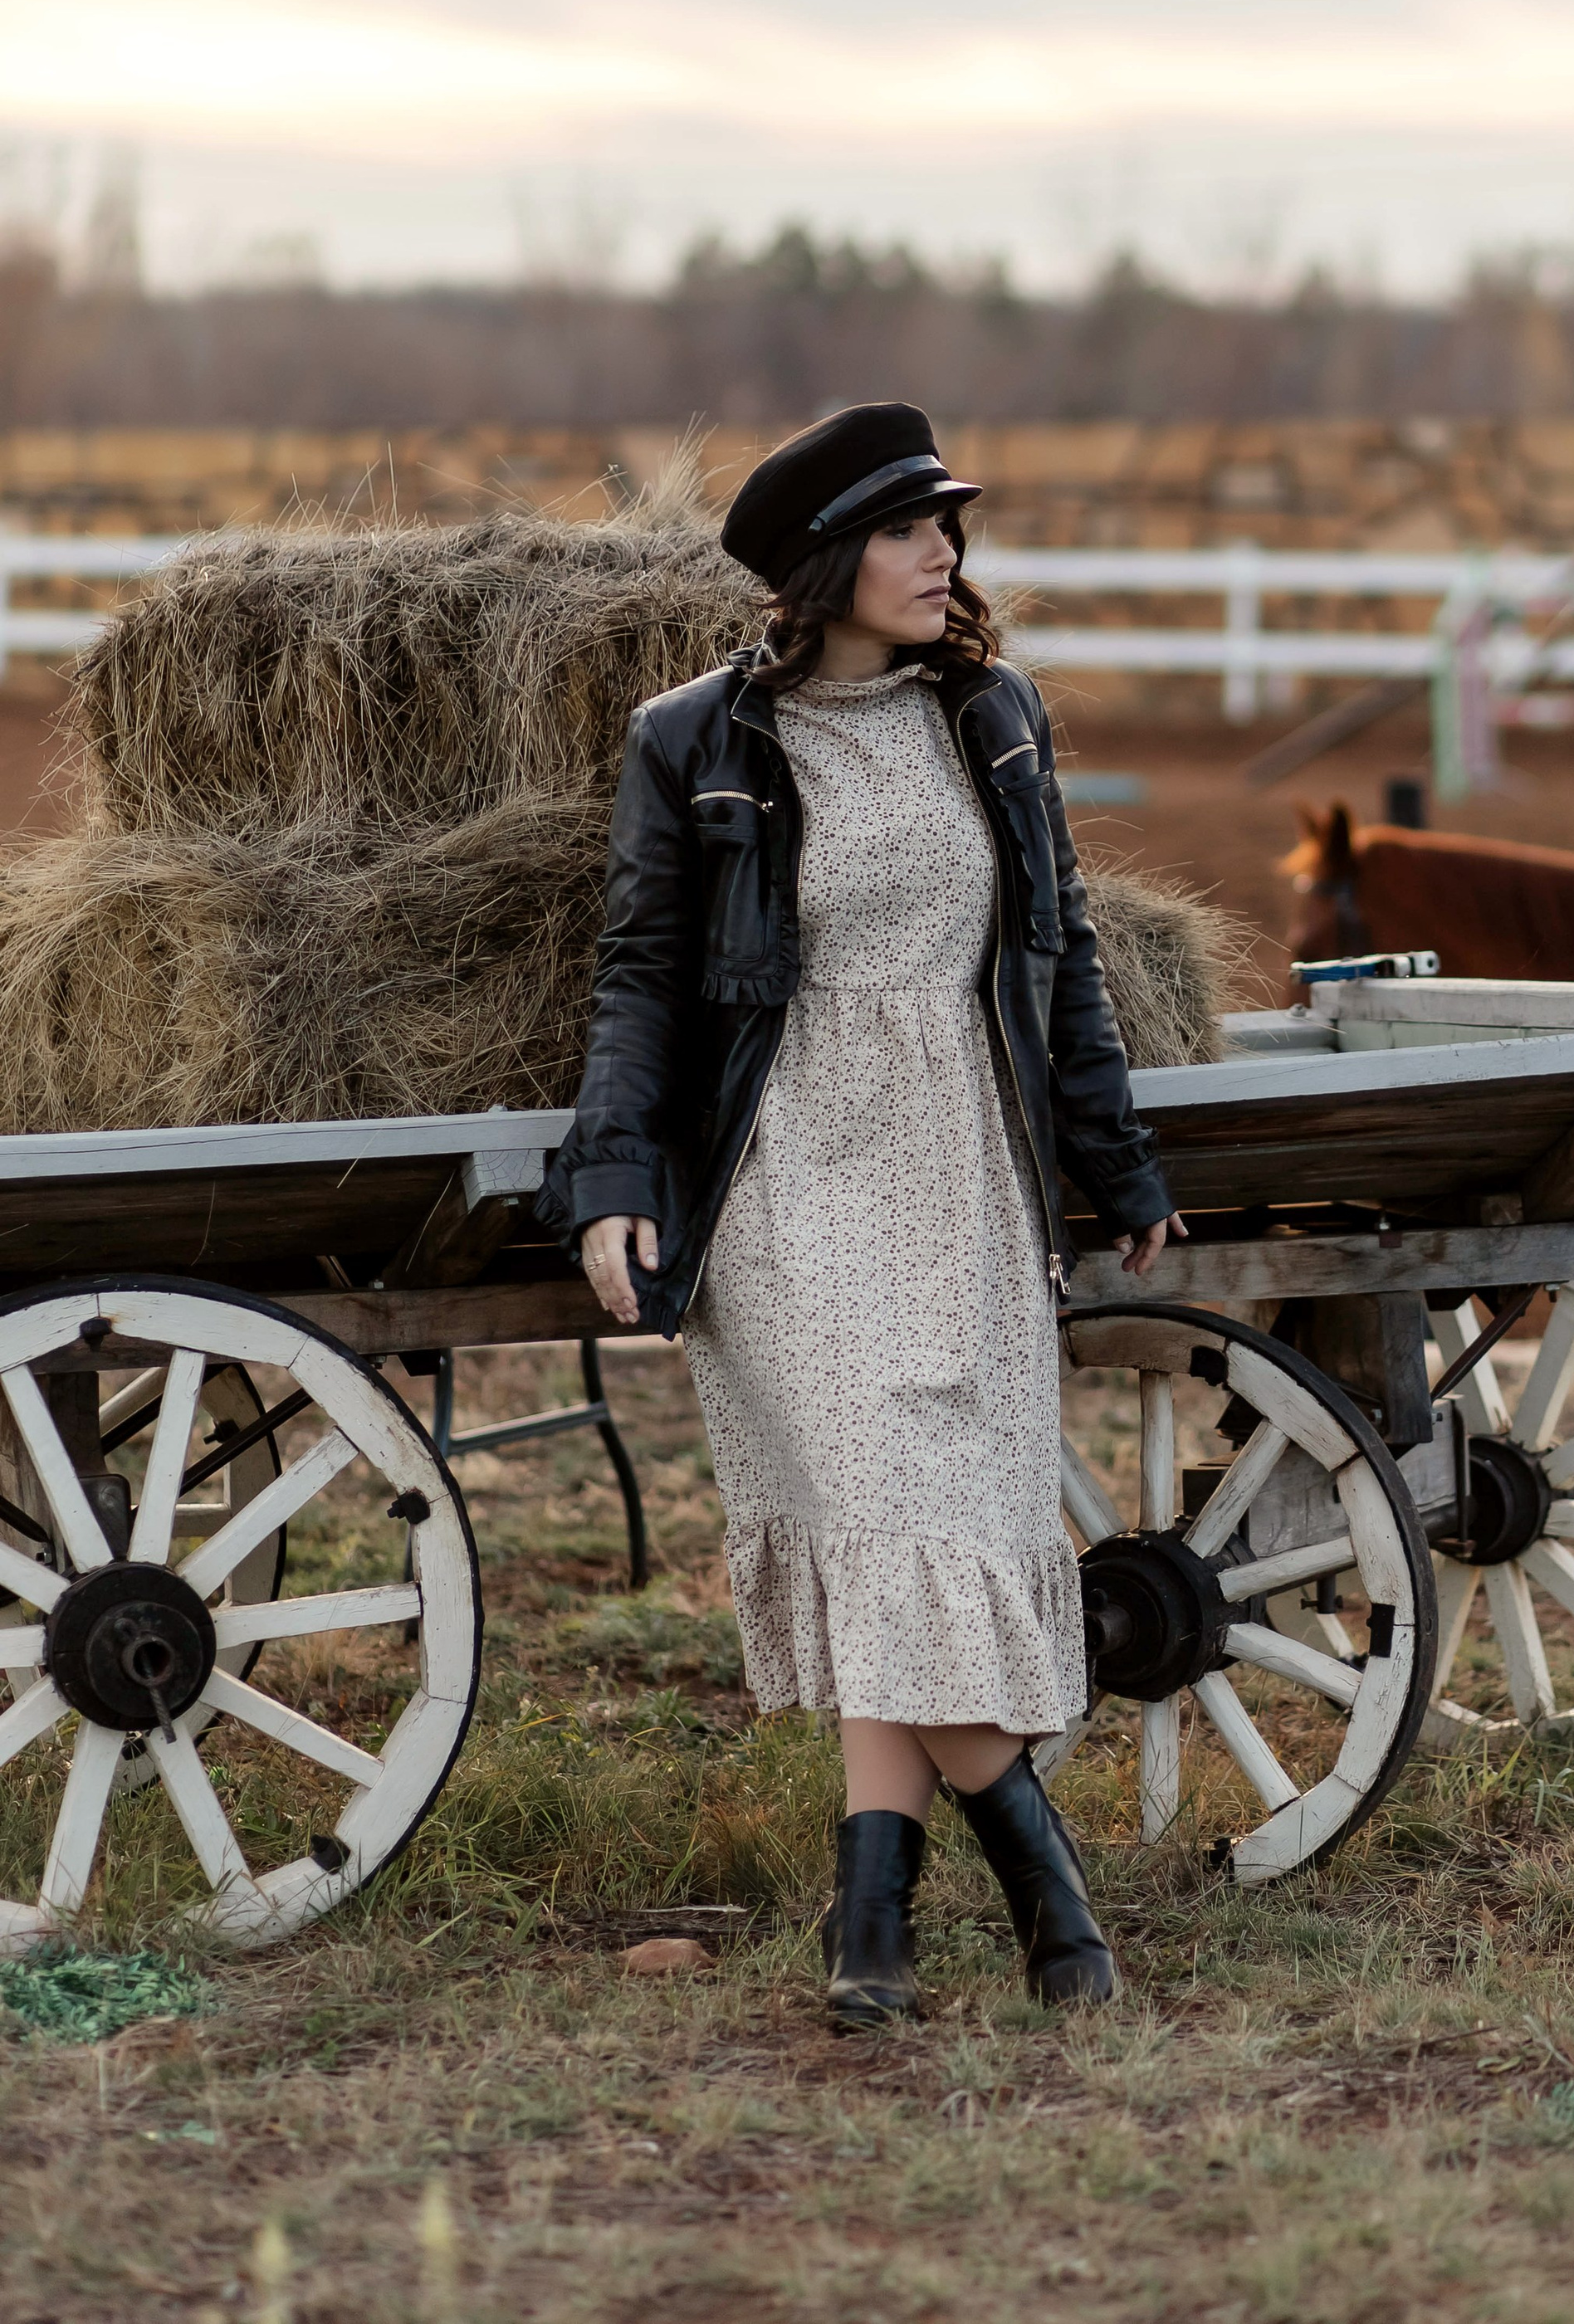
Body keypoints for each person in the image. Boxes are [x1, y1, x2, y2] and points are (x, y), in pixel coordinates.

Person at [538, 403, 1180, 2029]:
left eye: (946, 528)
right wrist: (613, 1180)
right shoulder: (691, 741)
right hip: (787, 1175)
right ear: (827, 562)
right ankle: (1051, 1904)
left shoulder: (994, 718)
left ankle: (872, 1922)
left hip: (964, 1168)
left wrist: (1116, 1160)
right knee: (885, 1524)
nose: (943, 556)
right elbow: (640, 980)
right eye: (909, 532)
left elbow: (1064, 954)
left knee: (919, 1543)